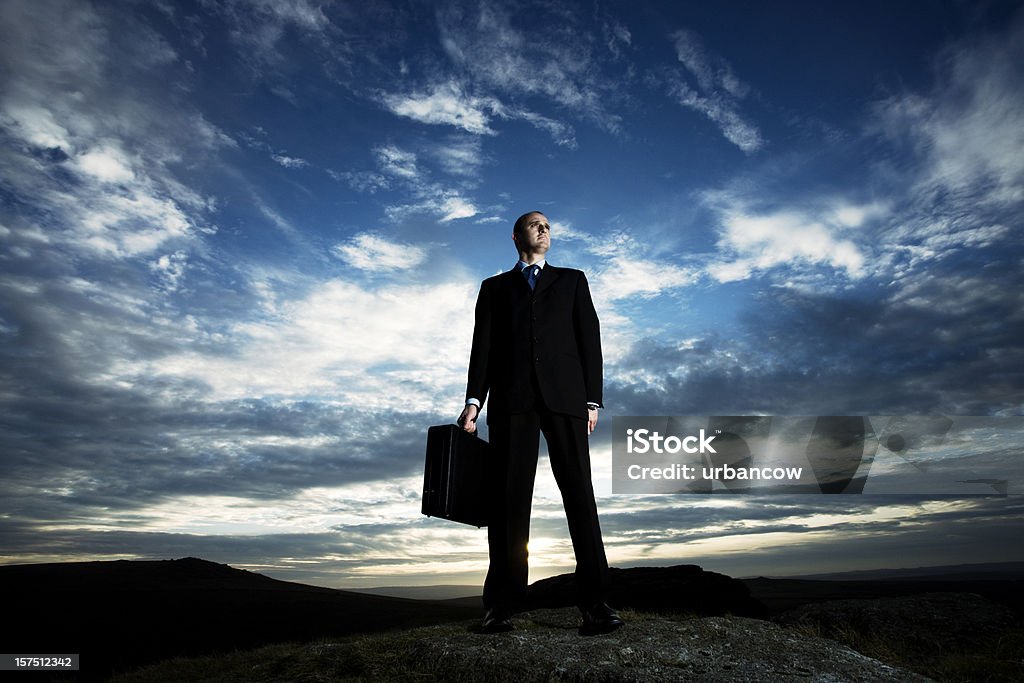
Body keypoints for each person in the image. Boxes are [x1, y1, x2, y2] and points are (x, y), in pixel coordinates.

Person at [458, 210, 623, 636]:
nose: (543, 228)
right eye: (535, 224)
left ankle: (596, 602)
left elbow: (590, 338)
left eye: (548, 224)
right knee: (508, 501)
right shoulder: (493, 288)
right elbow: (483, 349)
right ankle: (501, 606)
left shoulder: (572, 280)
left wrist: (592, 399)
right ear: (516, 236)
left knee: (579, 494)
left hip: (567, 400)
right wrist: (474, 402)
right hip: (512, 402)